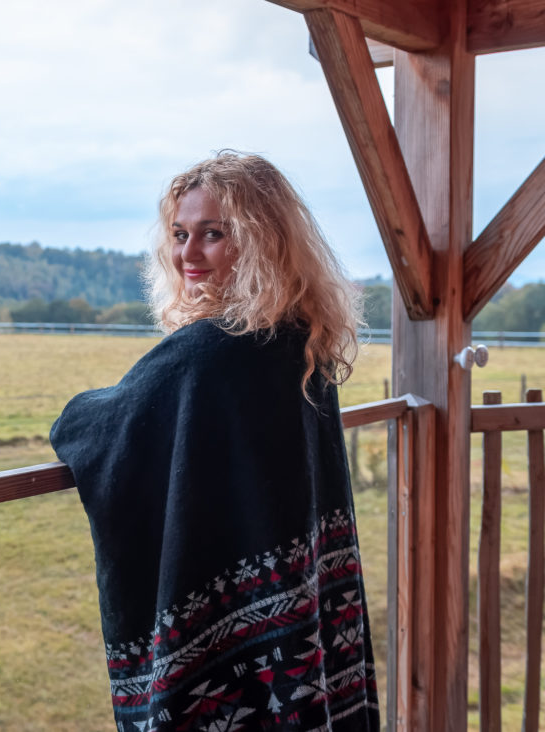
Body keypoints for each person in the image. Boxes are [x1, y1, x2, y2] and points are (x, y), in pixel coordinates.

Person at [50, 152, 378, 730]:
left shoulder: (206, 353)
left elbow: (91, 429)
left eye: (213, 234)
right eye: (179, 234)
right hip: (297, 613)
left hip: (234, 641)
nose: (187, 254)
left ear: (259, 240)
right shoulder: (301, 339)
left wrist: (78, 406)